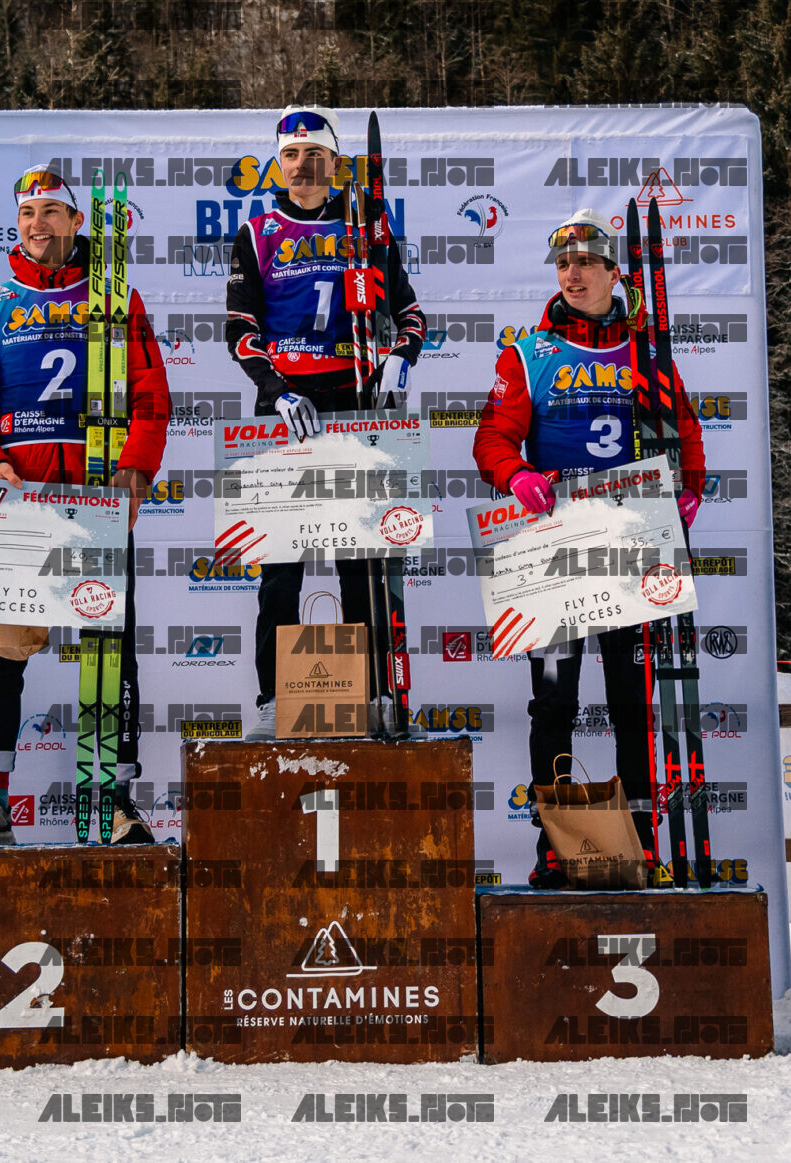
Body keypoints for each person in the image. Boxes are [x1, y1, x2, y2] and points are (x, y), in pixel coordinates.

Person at [0, 164, 171, 846]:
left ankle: (115, 800)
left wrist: (134, 469)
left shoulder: (117, 298)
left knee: (110, 652)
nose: (36, 224)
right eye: (26, 213)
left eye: (48, 211)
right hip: (24, 499)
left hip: (97, 497)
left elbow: (150, 397)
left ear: (75, 221)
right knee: (2, 653)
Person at [473, 209, 707, 886]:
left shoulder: (647, 352)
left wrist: (689, 489)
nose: (572, 275)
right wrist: (515, 474)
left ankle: (638, 841)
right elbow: (492, 436)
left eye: (585, 263)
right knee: (554, 702)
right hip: (555, 548)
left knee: (633, 700)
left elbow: (684, 430)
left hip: (631, 545)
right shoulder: (529, 353)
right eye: (563, 264)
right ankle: (556, 846)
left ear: (613, 273)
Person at [225, 106, 426, 736]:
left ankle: (374, 696)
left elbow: (410, 312)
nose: (303, 167)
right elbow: (240, 329)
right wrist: (275, 389)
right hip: (283, 412)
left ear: (336, 164)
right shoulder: (257, 232)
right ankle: (273, 700)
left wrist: (402, 356)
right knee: (279, 570)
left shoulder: (365, 226)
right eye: (291, 156)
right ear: (277, 165)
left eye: (315, 155)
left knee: (361, 565)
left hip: (352, 402)